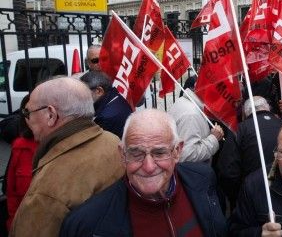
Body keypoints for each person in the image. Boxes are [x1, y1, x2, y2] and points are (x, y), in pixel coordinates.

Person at [59, 108, 227, 236]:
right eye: (136, 153)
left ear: (177, 151)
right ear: (122, 154)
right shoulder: (85, 224)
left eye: (159, 153)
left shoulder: (203, 179)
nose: (148, 167)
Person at [9, 77, 123, 237]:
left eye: (28, 112)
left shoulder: (48, 191)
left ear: (51, 115)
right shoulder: (113, 141)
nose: (26, 120)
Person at [5, 95, 36, 231]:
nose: (32, 118)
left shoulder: (66, 146)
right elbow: (11, 191)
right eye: (27, 113)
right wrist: (13, 222)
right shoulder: (20, 145)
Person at [168, 88, 224, 162]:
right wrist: (214, 139)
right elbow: (186, 155)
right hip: (190, 171)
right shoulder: (191, 115)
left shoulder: (184, 101)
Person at [80, 71, 132, 138]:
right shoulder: (115, 96)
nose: (80, 96)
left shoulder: (105, 118)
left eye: (83, 92)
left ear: (99, 91)